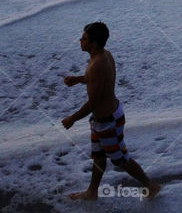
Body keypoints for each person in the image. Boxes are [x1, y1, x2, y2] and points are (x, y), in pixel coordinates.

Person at [61, 21, 161, 201]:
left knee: (120, 159)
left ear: (94, 43)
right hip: (101, 120)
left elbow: (93, 102)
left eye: (84, 39)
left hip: (109, 121)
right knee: (99, 157)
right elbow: (95, 81)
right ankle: (92, 192)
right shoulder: (102, 55)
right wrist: (78, 79)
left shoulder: (98, 63)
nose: (80, 41)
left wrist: (72, 119)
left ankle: (150, 185)